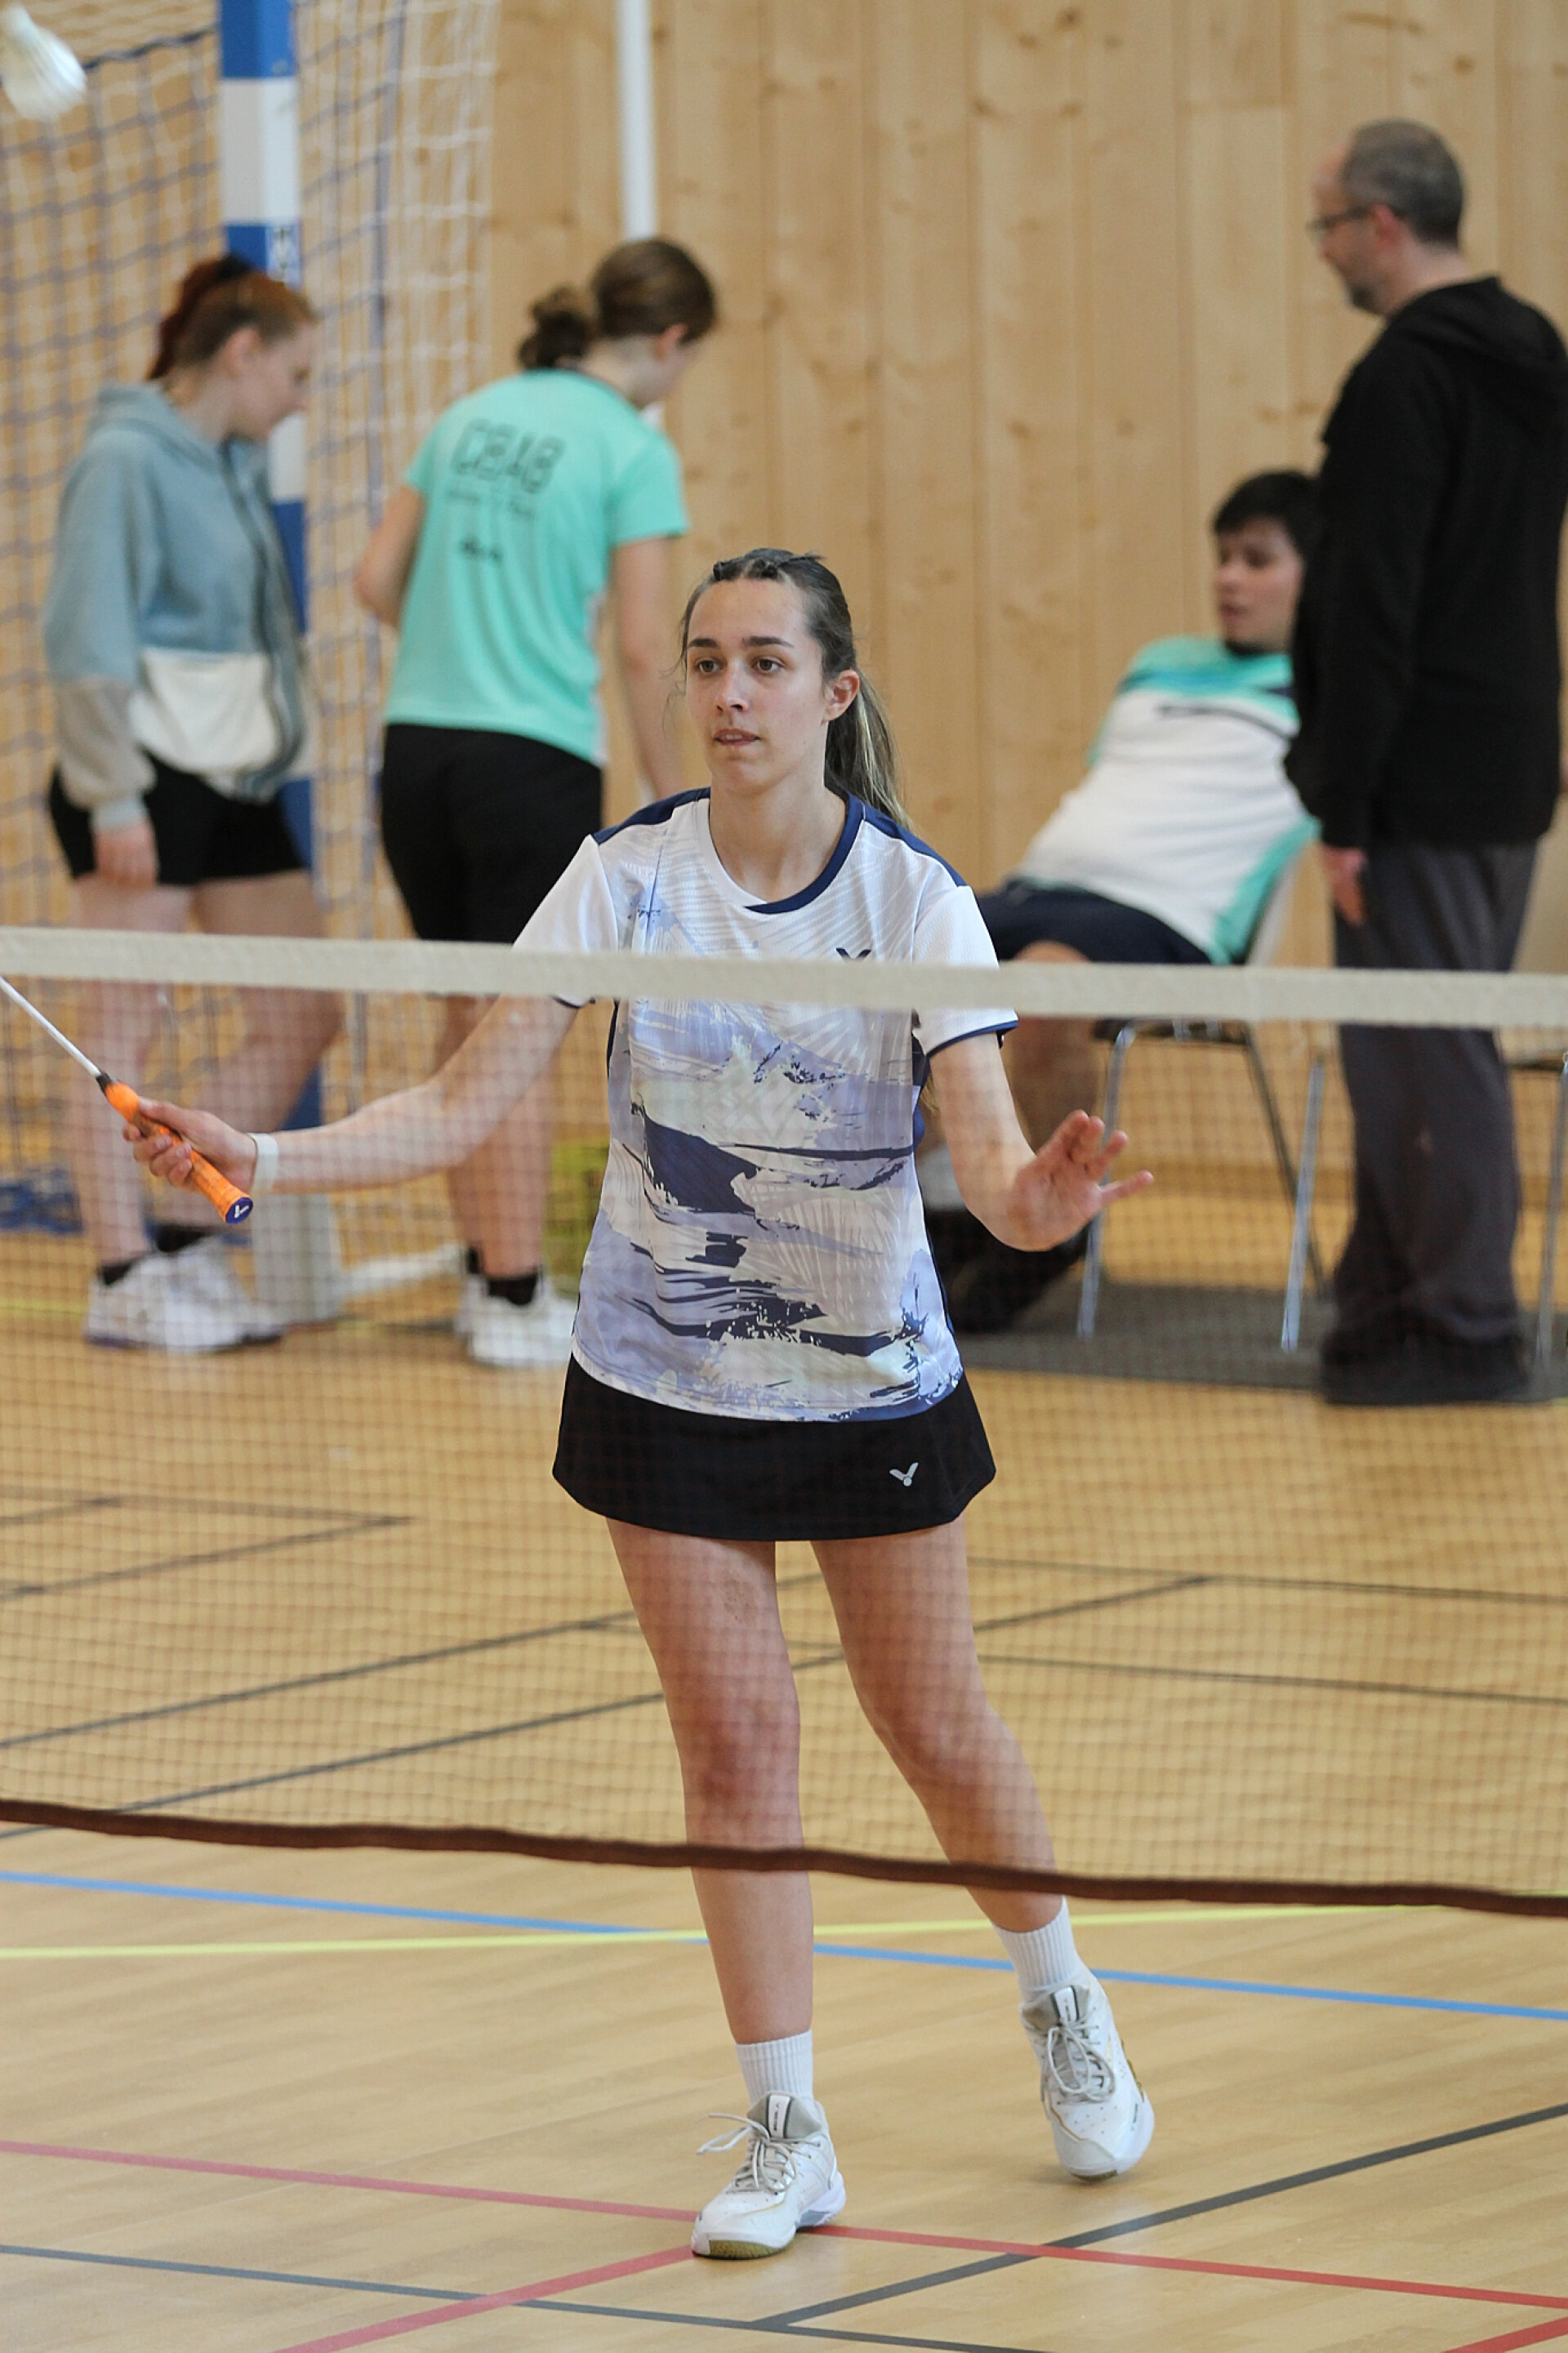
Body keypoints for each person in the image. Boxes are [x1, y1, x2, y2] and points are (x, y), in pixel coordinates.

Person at [124, 548, 1156, 2259]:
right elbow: (462, 1108)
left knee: (936, 1730)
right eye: (706, 662)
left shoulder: (915, 902)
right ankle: (786, 2130)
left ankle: (1063, 2000)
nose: (731, 693)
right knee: (735, 1748)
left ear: (834, 692)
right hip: (662, 1378)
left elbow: (991, 1170)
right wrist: (262, 1156)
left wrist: (1045, 1205)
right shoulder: (622, 878)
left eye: (767, 662)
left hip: (867, 1384)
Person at [354, 237, 718, 1369]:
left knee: (468, 1016)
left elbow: (374, 579)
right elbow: (648, 642)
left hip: (417, 750)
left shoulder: (471, 413)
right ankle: (512, 1298)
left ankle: (489, 1275)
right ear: (670, 342)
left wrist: (460, 651)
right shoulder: (631, 447)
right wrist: (680, 801)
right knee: (515, 1031)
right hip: (531, 759)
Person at [1290, 120, 1568, 1406]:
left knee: (1431, 1048)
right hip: (1502, 761)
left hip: (1419, 775)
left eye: (1329, 226)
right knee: (1403, 1045)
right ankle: (1388, 1303)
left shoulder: (1405, 376)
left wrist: (1344, 802)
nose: (1326, 250)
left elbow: (1372, 603)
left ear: (1384, 225)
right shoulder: (1532, 350)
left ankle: (1465, 1326)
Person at [935, 470, 1319, 1333]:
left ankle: (1050, 1231)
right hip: (1042, 888)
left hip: (1170, 920)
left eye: (1258, 560)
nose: (1229, 577)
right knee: (879, 970)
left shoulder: (1334, 691)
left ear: (1319, 573)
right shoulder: (1159, 663)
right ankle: (949, 1211)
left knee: (1040, 990)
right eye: (1223, 556)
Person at [42, 253, 341, 1353]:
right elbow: (85, 635)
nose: (301, 402)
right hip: (144, 780)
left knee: (305, 1010)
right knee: (121, 1032)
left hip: (237, 779)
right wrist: (114, 796)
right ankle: (121, 1274)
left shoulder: (233, 463)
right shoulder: (123, 458)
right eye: (295, 376)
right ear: (242, 353)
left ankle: (180, 1237)